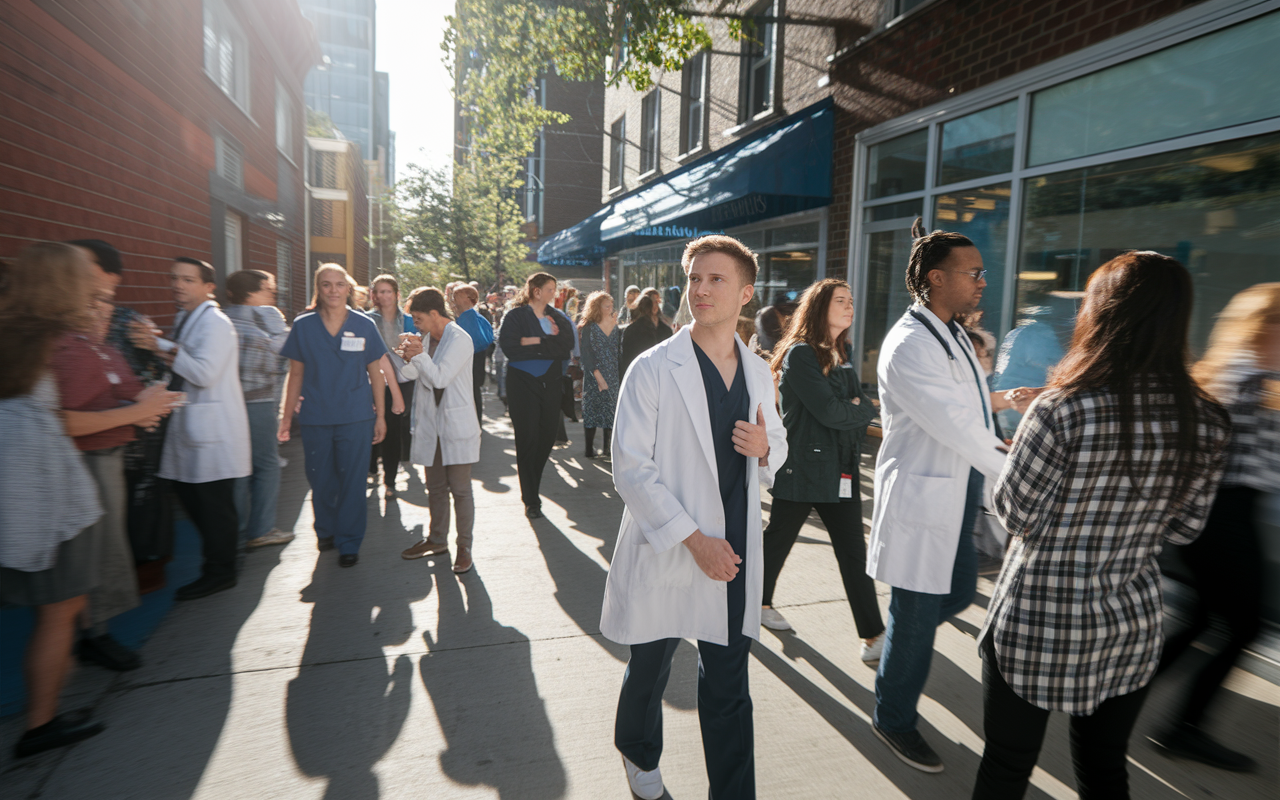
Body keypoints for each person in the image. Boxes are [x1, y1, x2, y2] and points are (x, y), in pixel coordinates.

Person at [973, 251, 1231, 798]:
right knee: (1105, 769)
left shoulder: (1061, 408)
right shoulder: (1208, 420)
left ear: (1102, 314)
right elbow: (1184, 531)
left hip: (1038, 617)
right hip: (1129, 619)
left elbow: (1014, 513)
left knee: (1007, 768)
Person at [602, 235, 787, 800]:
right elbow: (630, 467)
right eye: (695, 278)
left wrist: (765, 448)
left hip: (732, 549)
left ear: (746, 293)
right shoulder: (653, 367)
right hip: (672, 543)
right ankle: (638, 752)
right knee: (651, 664)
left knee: (730, 685)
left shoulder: (758, 371)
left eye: (717, 280)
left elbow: (778, 445)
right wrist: (693, 539)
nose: (701, 290)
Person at [867, 227, 1032, 773]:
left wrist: (1003, 408)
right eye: (974, 272)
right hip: (923, 497)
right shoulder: (910, 344)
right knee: (917, 617)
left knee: (960, 589)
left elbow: (970, 406)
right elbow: (955, 424)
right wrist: (1021, 475)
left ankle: (898, 646)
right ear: (937, 278)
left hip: (956, 494)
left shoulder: (953, 335)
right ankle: (893, 718)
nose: (984, 281)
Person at [1150, 282, 1280, 772]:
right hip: (1227, 516)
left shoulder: (1239, 372)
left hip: (1217, 518)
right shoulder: (1257, 379)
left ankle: (1121, 691)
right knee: (1245, 625)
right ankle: (1184, 730)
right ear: (1267, 327)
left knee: (1205, 618)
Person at [1, 243, 107, 756]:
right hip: (48, 503)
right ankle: (41, 724)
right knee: (59, 610)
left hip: (26, 497)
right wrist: (146, 406)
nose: (95, 283)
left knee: (62, 608)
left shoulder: (16, 336)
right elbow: (73, 416)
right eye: (84, 275)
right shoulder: (58, 343)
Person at [51, 287, 181, 672]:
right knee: (94, 552)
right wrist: (139, 410)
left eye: (106, 304)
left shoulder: (105, 350)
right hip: (86, 462)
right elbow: (68, 418)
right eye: (91, 304)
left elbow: (127, 391)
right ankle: (93, 634)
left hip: (110, 458)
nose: (99, 313)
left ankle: (94, 629)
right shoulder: (69, 351)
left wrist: (152, 400)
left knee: (107, 547)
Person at [758, 279, 886, 663]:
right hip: (802, 468)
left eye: (851, 300)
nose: (850, 307)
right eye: (841, 301)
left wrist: (855, 406)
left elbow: (851, 403)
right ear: (819, 308)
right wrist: (862, 410)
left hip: (839, 470)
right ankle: (752, 605)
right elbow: (832, 411)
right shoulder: (800, 354)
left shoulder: (839, 351)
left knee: (853, 554)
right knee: (776, 543)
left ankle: (873, 635)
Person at [140, 258, 252, 600]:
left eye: (188, 280)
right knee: (192, 496)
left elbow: (204, 373)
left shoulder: (216, 323)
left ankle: (221, 570)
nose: (178, 285)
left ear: (208, 287)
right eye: (175, 278)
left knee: (213, 505)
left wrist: (159, 346)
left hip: (213, 431)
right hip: (195, 427)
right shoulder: (186, 318)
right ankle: (221, 561)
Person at [70, 239, 174, 589]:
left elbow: (153, 369)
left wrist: (145, 404)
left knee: (139, 501)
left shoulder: (128, 319)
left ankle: (145, 569)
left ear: (110, 274)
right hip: (100, 433)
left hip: (135, 427)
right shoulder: (66, 320)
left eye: (85, 263)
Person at [278, 265, 387, 567]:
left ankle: (349, 541)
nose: (333, 290)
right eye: (326, 285)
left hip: (356, 416)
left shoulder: (364, 325)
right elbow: (295, 374)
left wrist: (380, 416)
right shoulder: (303, 325)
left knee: (353, 481)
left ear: (348, 288)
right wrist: (286, 418)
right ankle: (325, 529)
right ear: (318, 288)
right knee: (321, 479)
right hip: (315, 416)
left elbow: (376, 373)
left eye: (340, 284)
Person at [397, 288, 481, 574]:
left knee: (459, 489)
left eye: (418, 319)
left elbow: (441, 378)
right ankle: (437, 540)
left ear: (435, 314)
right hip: (431, 425)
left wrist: (418, 357)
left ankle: (464, 547)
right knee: (434, 488)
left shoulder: (460, 338)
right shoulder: (423, 339)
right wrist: (407, 358)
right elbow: (408, 375)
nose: (415, 325)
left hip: (456, 425)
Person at [224, 269, 294, 550]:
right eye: (269, 290)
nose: (272, 295)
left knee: (239, 469)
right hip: (259, 402)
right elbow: (285, 350)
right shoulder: (264, 318)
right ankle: (261, 529)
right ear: (255, 291)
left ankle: (237, 530)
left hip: (228, 405)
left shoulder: (223, 317)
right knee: (266, 465)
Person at [496, 272, 574, 519]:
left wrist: (530, 342)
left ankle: (532, 482)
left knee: (547, 436)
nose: (555, 293)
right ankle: (531, 499)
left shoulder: (558, 317)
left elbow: (565, 347)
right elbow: (511, 348)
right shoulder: (515, 315)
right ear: (536, 291)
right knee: (527, 439)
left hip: (549, 382)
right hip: (521, 383)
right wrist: (543, 340)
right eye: (550, 289)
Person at [367, 274, 416, 498]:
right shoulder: (366, 320)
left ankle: (390, 481)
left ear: (397, 294)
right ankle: (370, 469)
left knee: (394, 430)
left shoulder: (409, 320)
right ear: (374, 295)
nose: (384, 296)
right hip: (372, 381)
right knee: (372, 426)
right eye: (380, 291)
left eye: (388, 291)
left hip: (402, 380)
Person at [577, 291, 622, 459]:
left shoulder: (616, 326)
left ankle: (607, 448)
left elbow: (619, 351)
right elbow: (586, 354)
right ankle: (589, 449)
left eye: (611, 305)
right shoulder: (588, 327)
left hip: (612, 373)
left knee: (611, 410)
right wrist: (598, 376)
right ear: (597, 307)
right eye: (607, 305)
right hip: (594, 374)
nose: (610, 308)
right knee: (591, 410)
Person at [452, 283, 495, 424]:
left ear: (469, 299)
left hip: (470, 364)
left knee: (471, 396)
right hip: (474, 363)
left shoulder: (469, 317)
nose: (453, 298)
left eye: (457, 296)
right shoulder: (473, 317)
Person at [620, 294, 672, 377]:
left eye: (656, 302)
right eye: (652, 303)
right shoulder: (634, 330)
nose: (654, 305)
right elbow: (627, 358)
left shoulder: (665, 329)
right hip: (642, 375)